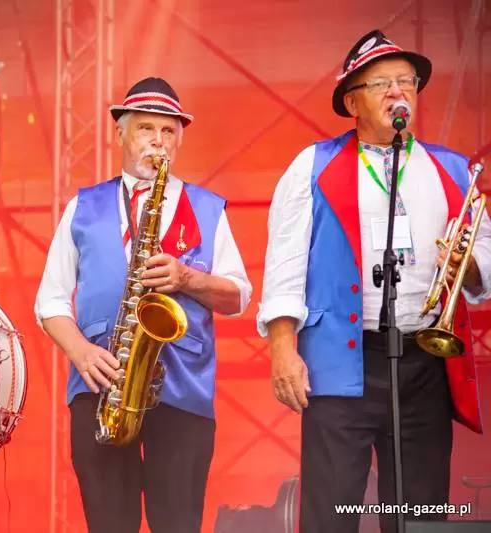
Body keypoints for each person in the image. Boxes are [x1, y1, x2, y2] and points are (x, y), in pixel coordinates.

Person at [257, 29, 491, 533]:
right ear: (352, 102)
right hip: (341, 358)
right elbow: (284, 264)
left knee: (420, 512)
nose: (397, 92)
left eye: (406, 81)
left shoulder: (452, 169)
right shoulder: (312, 166)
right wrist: (281, 348)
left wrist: (468, 267)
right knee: (331, 510)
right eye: (382, 83)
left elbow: (486, 257)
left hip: (424, 361)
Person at [35, 77, 252, 533]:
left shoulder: (209, 208)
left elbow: (238, 296)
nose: (158, 140)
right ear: (120, 134)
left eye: (168, 131)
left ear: (180, 139)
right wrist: (81, 352)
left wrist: (187, 277)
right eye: (145, 129)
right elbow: (50, 300)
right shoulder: (82, 206)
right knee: (109, 523)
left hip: (183, 388)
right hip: (103, 384)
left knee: (177, 523)